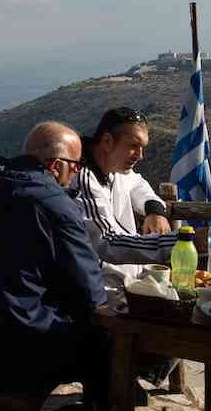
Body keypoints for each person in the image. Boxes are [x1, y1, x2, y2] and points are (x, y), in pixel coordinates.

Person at [0, 121, 110, 409]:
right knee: (108, 346)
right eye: (77, 165)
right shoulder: (56, 205)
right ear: (56, 165)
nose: (79, 171)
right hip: (22, 352)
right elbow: (91, 292)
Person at [73, 107, 174, 292]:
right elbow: (107, 242)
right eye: (133, 146)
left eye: (143, 148)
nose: (140, 155)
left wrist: (154, 210)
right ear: (107, 141)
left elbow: (137, 184)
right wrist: (178, 242)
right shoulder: (83, 179)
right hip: (102, 293)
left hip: (126, 285)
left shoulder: (115, 168)